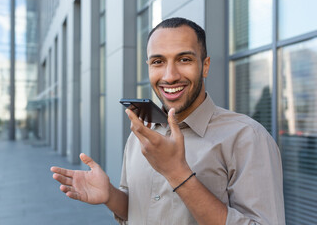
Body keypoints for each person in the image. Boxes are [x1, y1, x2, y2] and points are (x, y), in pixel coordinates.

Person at [51, 17, 285, 225]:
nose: (170, 75)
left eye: (184, 59)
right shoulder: (142, 133)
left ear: (205, 65)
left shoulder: (246, 137)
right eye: (158, 62)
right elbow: (140, 209)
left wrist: (177, 173)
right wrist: (111, 196)